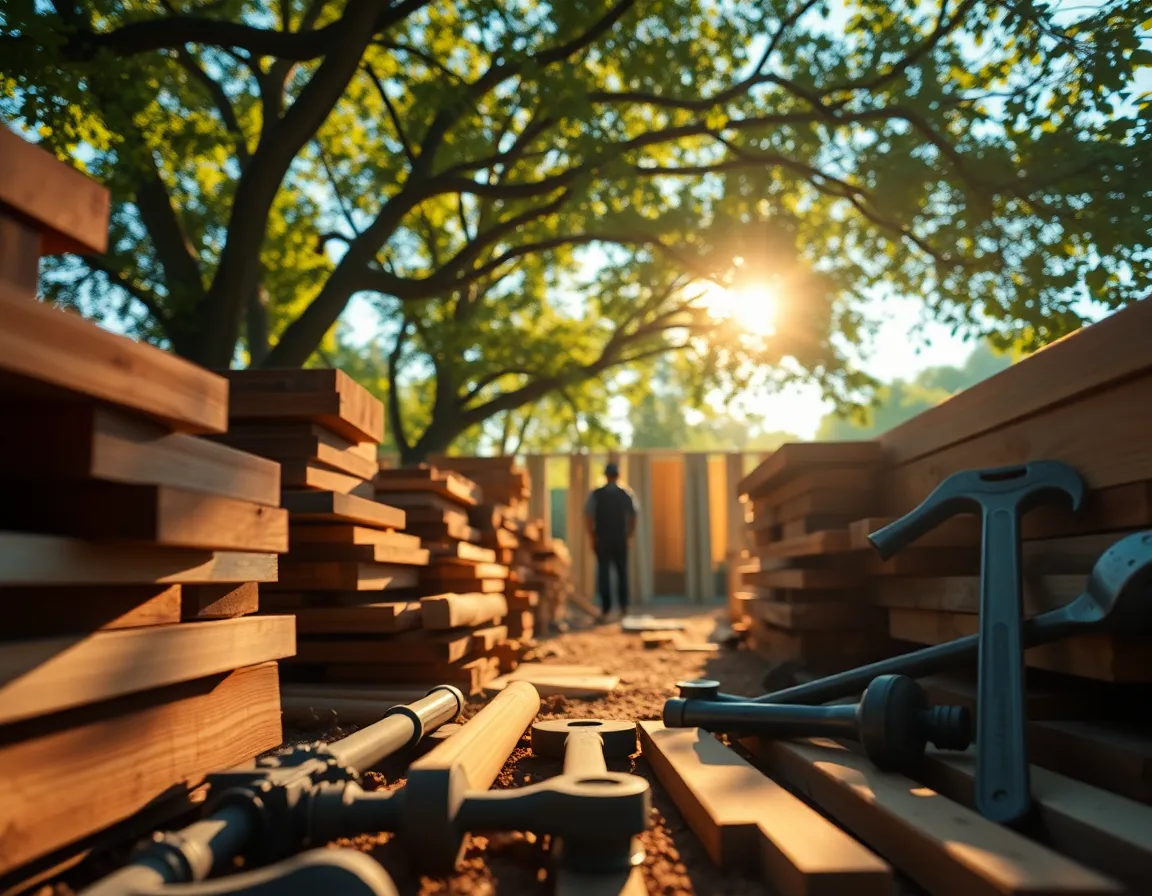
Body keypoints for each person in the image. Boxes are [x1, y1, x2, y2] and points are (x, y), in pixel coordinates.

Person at [584, 462, 638, 622]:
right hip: (619, 539)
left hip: (603, 540)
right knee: (622, 573)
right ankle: (623, 607)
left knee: (604, 575)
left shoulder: (597, 494)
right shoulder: (626, 494)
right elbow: (634, 515)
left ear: (606, 475)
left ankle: (606, 610)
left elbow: (588, 515)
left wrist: (592, 536)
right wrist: (629, 535)